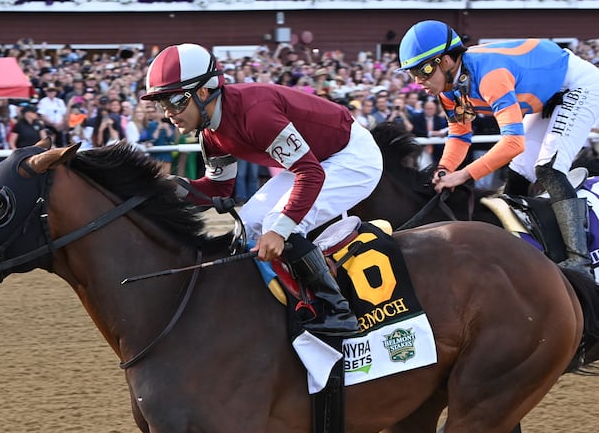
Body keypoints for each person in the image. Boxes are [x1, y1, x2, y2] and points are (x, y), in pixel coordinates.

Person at [141, 43, 383, 337]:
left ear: (203, 92)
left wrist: (280, 230)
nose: (169, 113)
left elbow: (310, 173)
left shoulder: (256, 114)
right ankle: (276, 304)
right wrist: (170, 190)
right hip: (316, 160)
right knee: (250, 222)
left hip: (351, 156)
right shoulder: (210, 134)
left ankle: (337, 311)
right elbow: (218, 187)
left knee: (276, 225)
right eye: (162, 104)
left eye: (176, 101)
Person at [398, 20, 599, 276]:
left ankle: (580, 261)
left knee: (548, 170)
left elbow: (513, 142)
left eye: (423, 71)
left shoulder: (490, 77)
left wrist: (464, 174)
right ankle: (524, 248)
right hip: (549, 92)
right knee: (517, 175)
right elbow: (460, 134)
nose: (418, 82)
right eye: (412, 74)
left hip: (576, 85)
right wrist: (444, 168)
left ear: (446, 61)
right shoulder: (448, 89)